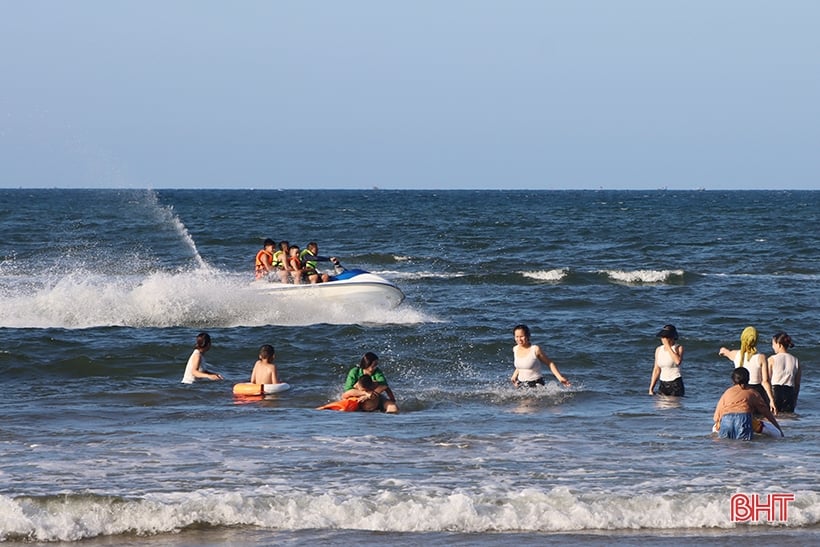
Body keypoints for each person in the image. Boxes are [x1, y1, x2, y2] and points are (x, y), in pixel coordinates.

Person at [713, 367, 783, 439]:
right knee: (745, 447)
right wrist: (778, 428)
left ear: (733, 380)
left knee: (726, 446)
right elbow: (765, 412)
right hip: (743, 419)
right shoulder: (752, 392)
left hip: (726, 420)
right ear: (748, 379)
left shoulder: (727, 392)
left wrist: (718, 424)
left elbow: (717, 415)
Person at [718, 326, 776, 413]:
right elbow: (765, 381)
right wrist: (771, 400)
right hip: (757, 392)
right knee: (759, 422)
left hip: (740, 391)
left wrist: (723, 351)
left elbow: (725, 352)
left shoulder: (735, 354)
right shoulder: (761, 357)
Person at [768, 331, 801, 413]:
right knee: (788, 419)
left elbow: (767, 380)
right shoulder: (796, 360)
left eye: (773, 344)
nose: (772, 347)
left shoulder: (772, 359)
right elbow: (797, 384)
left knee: (774, 418)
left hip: (775, 391)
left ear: (779, 345)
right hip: (790, 392)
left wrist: (770, 399)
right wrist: (795, 399)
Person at [648, 324, 685, 396]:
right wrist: (651, 388)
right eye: (662, 337)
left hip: (675, 383)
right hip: (663, 383)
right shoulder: (659, 349)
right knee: (661, 405)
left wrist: (668, 346)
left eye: (666, 337)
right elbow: (656, 370)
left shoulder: (678, 348)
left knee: (673, 405)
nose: (664, 340)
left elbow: (677, 361)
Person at [318, 375, 382, 412]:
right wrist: (365, 394)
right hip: (357, 404)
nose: (355, 386)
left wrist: (367, 396)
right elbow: (344, 395)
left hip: (364, 407)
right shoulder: (358, 388)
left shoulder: (374, 388)